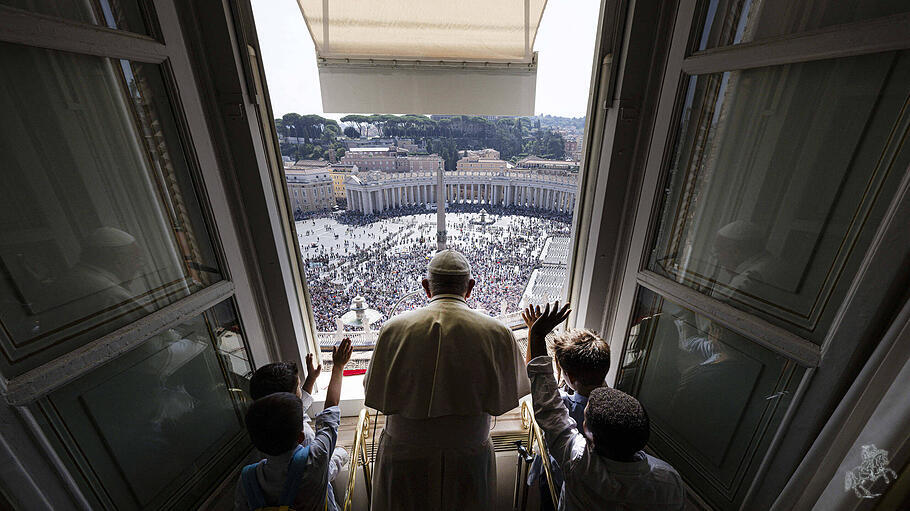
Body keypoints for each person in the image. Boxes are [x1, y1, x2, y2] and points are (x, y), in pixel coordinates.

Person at [363, 249, 530, 511]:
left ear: (426, 287)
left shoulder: (393, 329)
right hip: (468, 459)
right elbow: (513, 389)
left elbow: (373, 390)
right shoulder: (498, 332)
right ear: (470, 287)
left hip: (405, 459)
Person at [524, 302, 686, 510]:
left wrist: (535, 334)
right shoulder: (668, 480)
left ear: (590, 437)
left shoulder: (579, 464)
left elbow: (549, 410)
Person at [234, 339, 353, 511]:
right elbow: (330, 412)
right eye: (298, 386)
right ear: (300, 436)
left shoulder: (247, 479)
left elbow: (288, 412)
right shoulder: (313, 457)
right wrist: (338, 366)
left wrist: (310, 381)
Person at [523, 326, 610, 511]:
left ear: (568, 375)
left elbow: (542, 390)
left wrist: (535, 333)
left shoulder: (563, 404)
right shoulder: (614, 407)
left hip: (556, 482)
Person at [249, 355, 350, 484]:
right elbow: (324, 469)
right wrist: (341, 454)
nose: (300, 387)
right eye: (298, 386)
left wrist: (311, 379)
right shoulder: (304, 436)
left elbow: (298, 405)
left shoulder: (249, 476)